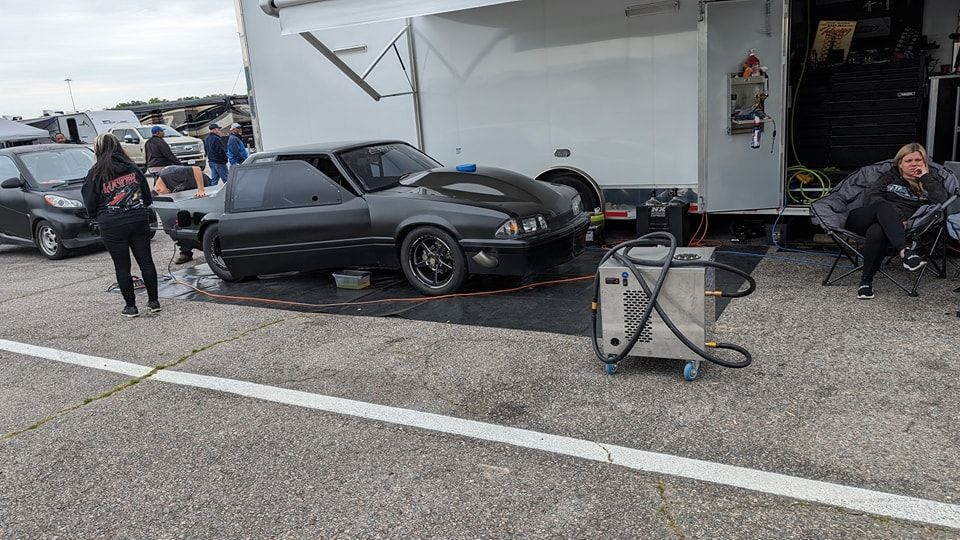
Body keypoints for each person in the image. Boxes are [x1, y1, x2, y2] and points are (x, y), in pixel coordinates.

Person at [846, 142, 950, 299]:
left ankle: (865, 283)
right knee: (883, 206)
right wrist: (898, 217)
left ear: (924, 163)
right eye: (908, 161)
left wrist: (925, 177)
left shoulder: (930, 181)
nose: (914, 164)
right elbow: (872, 196)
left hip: (891, 228)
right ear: (900, 164)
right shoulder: (890, 176)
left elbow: (942, 201)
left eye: (918, 160)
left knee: (877, 231)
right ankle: (905, 252)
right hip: (863, 219)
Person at [81, 133, 160, 318]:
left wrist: (96, 216)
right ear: (118, 146)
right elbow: (146, 196)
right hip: (138, 218)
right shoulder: (132, 167)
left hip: (111, 223)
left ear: (98, 149)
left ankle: (131, 307)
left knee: (122, 266)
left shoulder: (95, 173)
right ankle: (154, 302)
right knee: (146, 261)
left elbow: (90, 202)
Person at [153, 165, 207, 265]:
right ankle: (185, 252)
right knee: (179, 222)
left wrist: (201, 189)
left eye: (165, 194)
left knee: (202, 220)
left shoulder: (170, 173)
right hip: (188, 197)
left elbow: (196, 169)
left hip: (203, 186)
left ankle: (209, 245)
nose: (168, 193)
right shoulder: (159, 186)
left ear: (159, 190)